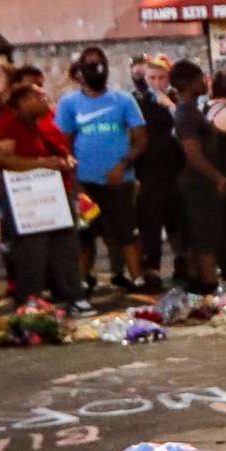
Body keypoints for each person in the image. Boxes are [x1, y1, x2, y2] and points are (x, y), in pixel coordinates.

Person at [0, 77, 89, 306]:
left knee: (66, 245)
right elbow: (2, 159)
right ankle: (31, 298)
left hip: (57, 191)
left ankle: (71, 293)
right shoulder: (7, 124)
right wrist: (43, 163)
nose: (44, 98)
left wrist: (66, 160)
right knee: (31, 249)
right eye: (37, 96)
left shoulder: (47, 119)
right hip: (26, 197)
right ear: (22, 102)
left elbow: (60, 147)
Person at [54, 46, 147, 291]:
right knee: (85, 235)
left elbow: (140, 138)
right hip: (86, 183)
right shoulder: (69, 103)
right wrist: (74, 181)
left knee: (127, 233)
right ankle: (83, 282)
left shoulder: (123, 100)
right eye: (90, 65)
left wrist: (123, 164)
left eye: (100, 64)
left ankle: (137, 279)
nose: (97, 69)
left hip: (120, 181)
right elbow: (64, 144)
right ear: (81, 71)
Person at [161, 62, 226, 292]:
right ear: (189, 83)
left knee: (200, 236)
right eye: (201, 78)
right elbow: (193, 153)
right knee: (204, 237)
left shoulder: (190, 110)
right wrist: (218, 177)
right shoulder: (186, 113)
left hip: (197, 183)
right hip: (197, 184)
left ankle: (201, 284)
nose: (205, 82)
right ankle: (207, 284)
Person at [128, 56, 184, 290]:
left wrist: (171, 107)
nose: (156, 82)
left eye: (161, 78)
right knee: (150, 222)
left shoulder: (176, 100)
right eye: (152, 78)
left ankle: (183, 261)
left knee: (178, 220)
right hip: (148, 171)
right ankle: (152, 268)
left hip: (176, 169)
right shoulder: (137, 102)